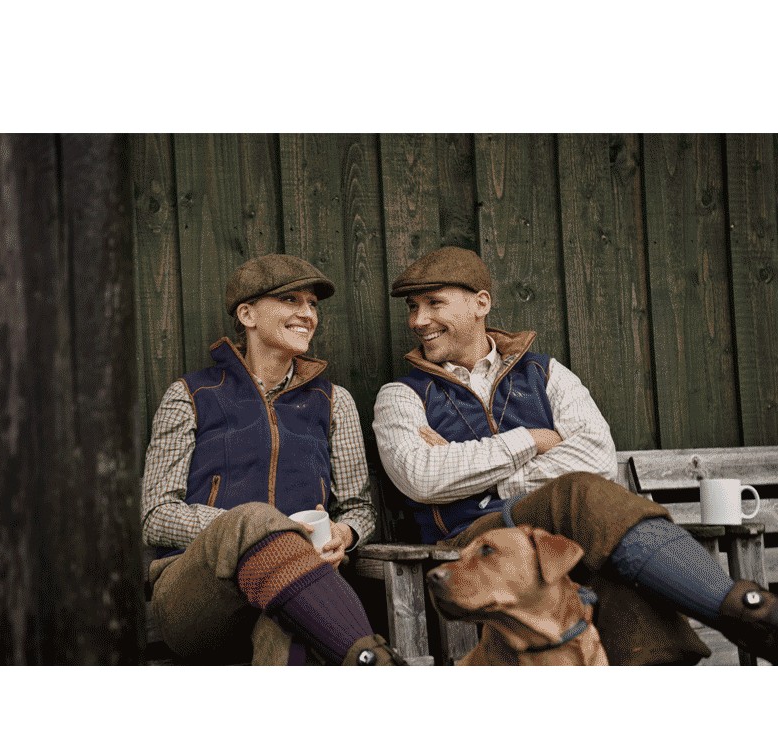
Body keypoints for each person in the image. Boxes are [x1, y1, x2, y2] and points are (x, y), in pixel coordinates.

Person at [373, 245, 778, 665]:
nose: (418, 321)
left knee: (609, 548)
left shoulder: (547, 374)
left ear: (481, 303)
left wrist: (481, 472)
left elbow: (597, 456)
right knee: (579, 494)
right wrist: (533, 440)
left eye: (434, 303)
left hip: (560, 537)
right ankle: (753, 614)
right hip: (475, 542)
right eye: (413, 307)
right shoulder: (401, 396)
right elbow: (421, 477)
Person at [142, 254, 404, 666]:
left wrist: (344, 533)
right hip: (196, 596)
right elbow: (156, 514)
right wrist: (256, 532)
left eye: (312, 304)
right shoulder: (191, 395)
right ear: (247, 314)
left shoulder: (334, 402)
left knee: (289, 627)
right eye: (290, 300)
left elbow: (359, 509)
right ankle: (376, 661)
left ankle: (370, 663)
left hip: (291, 588)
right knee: (255, 519)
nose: (307, 314)